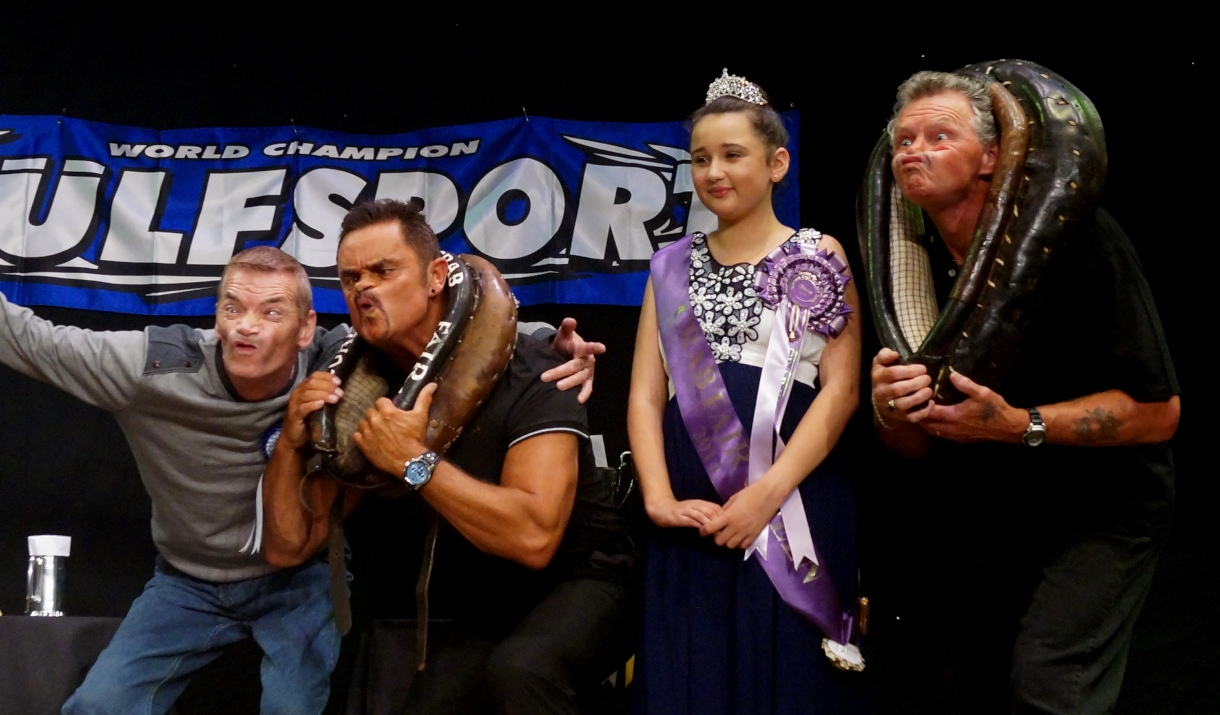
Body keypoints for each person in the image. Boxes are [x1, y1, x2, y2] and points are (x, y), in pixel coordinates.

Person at [0, 244, 599, 715]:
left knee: (295, 706)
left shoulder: (342, 360)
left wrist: (551, 344)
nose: (245, 328)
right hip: (185, 582)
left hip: (298, 581)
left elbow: (450, 333)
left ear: (308, 327)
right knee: (97, 706)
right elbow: (28, 339)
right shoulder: (148, 369)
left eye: (270, 311)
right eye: (231, 307)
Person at [869, 71, 1180, 713]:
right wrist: (888, 408)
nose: (912, 150)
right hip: (991, 506)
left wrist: (1018, 425)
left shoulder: (1086, 239)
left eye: (938, 135)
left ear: (991, 156)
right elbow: (912, 447)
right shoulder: (910, 258)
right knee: (961, 683)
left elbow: (1160, 414)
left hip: (1103, 504)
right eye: (903, 139)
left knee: (1050, 687)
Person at [261, 198, 633, 715]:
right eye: (350, 279)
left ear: (436, 277)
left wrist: (413, 462)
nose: (363, 288)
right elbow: (288, 546)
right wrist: (289, 441)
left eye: (383, 270)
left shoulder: (539, 366)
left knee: (521, 672)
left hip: (580, 581)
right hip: (470, 605)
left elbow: (534, 536)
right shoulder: (357, 395)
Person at [627, 70, 864, 714]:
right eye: (701, 158)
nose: (714, 172)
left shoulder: (820, 254)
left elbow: (841, 390)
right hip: (692, 514)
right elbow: (647, 395)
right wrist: (657, 498)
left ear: (776, 162)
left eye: (733, 155)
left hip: (792, 506)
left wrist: (767, 492)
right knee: (692, 675)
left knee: (787, 675)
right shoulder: (669, 265)